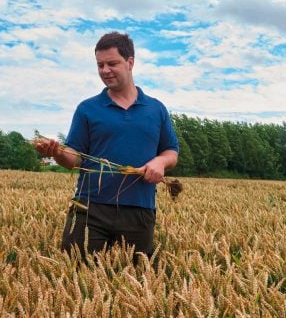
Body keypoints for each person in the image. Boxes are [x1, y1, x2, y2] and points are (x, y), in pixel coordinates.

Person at [35, 32, 179, 258]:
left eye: (112, 63)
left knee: (138, 280)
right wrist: (58, 153)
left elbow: (171, 151)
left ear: (130, 62)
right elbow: (76, 158)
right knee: (74, 274)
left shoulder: (156, 109)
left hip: (139, 210)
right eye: (100, 65)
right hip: (89, 209)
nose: (105, 70)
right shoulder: (87, 109)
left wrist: (160, 162)